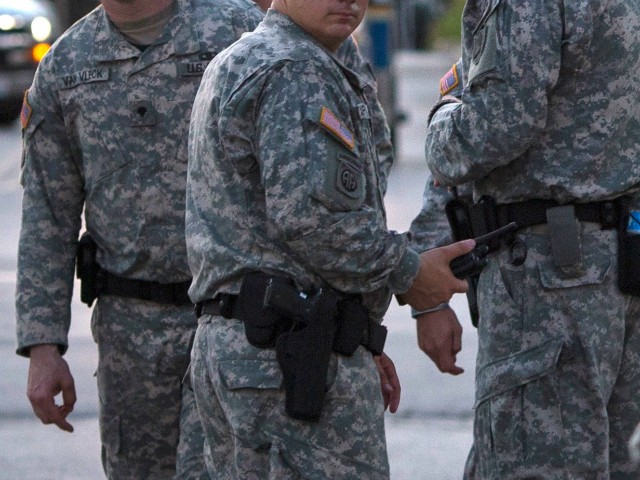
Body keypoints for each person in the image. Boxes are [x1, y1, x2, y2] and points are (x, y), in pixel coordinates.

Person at [185, 0, 475, 477]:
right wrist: (410, 273)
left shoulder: (252, 56)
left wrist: (358, 337)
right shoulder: (295, 68)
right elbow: (314, 222)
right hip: (287, 358)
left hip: (267, 348)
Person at [15, 0, 263, 478]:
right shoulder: (66, 65)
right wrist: (42, 345)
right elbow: (48, 216)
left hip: (236, 324)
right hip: (129, 337)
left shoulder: (238, 31)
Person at [414, 0, 640, 477]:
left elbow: (495, 126)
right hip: (621, 264)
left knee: (531, 461)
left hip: (554, 278)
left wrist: (439, 124)